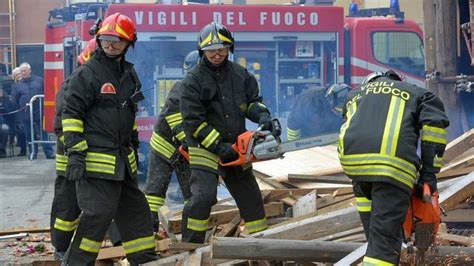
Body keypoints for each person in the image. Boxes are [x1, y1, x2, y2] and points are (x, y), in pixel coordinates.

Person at [61, 13, 157, 264]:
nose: (111, 45)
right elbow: (71, 116)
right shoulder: (87, 74)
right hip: (94, 162)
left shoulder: (129, 74)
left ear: (129, 43)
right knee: (98, 215)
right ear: (98, 39)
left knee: (136, 212)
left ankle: (145, 260)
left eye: (117, 40)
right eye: (106, 39)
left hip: (122, 163)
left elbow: (130, 114)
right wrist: (75, 154)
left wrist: (135, 144)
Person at [180, 22, 278, 243]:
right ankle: (189, 247)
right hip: (203, 148)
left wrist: (263, 116)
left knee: (251, 197)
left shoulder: (240, 74)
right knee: (203, 198)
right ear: (202, 51)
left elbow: (252, 103)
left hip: (235, 147)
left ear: (230, 48)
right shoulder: (192, 80)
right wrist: (218, 147)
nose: (217, 54)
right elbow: (194, 122)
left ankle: (260, 244)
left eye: (222, 49)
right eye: (212, 50)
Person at [338, 70, 449, 265]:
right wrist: (429, 174)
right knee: (383, 246)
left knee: (376, 234)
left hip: (354, 167)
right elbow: (434, 130)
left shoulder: (355, 94)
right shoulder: (418, 94)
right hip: (391, 168)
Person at [144, 50, 199, 232]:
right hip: (165, 147)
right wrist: (194, 145)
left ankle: (190, 234)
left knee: (192, 194)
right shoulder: (181, 88)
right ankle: (149, 231)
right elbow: (175, 119)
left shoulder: (203, 89)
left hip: (184, 150)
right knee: (155, 192)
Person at [12, 62, 54, 159]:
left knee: (44, 132)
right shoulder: (17, 85)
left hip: (40, 112)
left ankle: (49, 153)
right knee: (29, 135)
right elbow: (15, 100)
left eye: (25, 71)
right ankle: (32, 153)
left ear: (29, 70)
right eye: (21, 71)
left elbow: (47, 93)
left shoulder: (39, 81)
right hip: (26, 113)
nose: (23, 73)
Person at [286, 83, 350, 141]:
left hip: (332, 141)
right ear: (329, 102)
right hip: (306, 142)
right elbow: (293, 124)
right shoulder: (307, 99)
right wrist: (294, 148)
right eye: (336, 112)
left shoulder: (352, 104)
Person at [10, 67, 26, 156]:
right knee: (20, 130)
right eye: (16, 75)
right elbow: (13, 98)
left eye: (20, 74)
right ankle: (23, 149)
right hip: (18, 111)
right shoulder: (14, 86)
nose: (19, 76)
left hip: (27, 109)